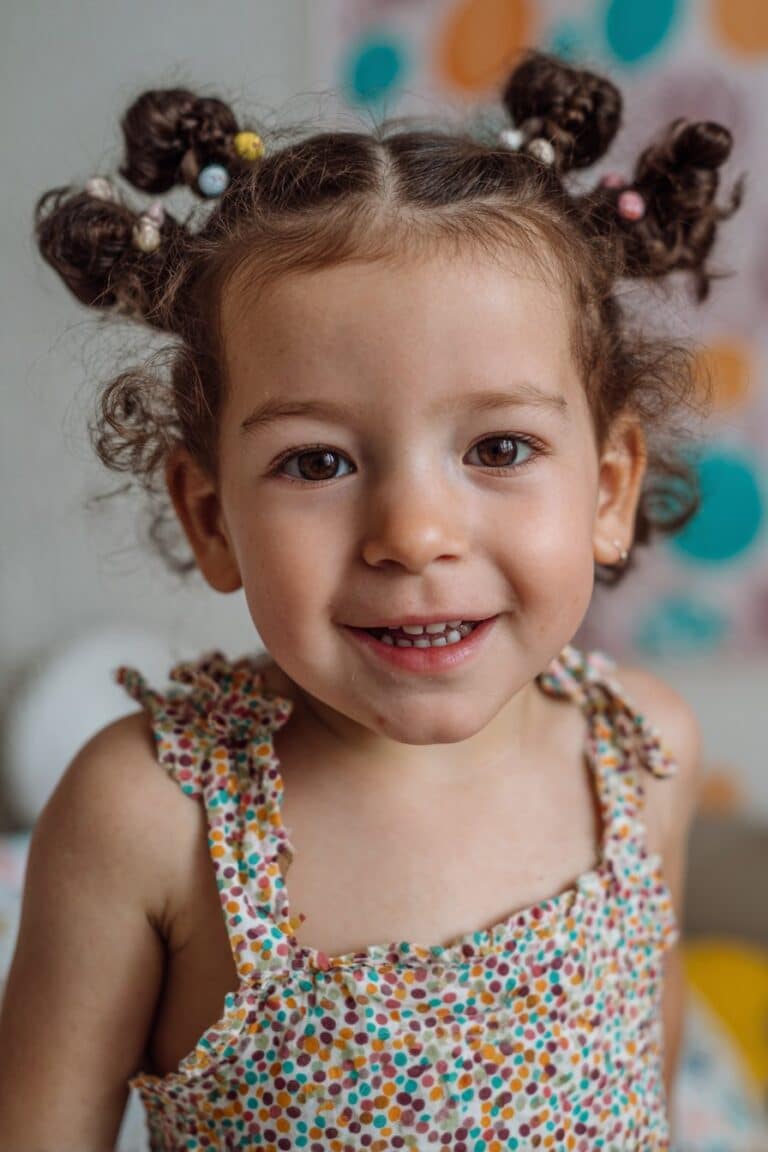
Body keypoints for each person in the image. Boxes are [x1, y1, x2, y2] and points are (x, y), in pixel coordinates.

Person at [0, 48, 743, 1151]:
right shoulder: (150, 817)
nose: (413, 535)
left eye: (499, 446)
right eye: (316, 464)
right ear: (211, 517)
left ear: (609, 491)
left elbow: (651, 1085)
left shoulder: (639, 756)